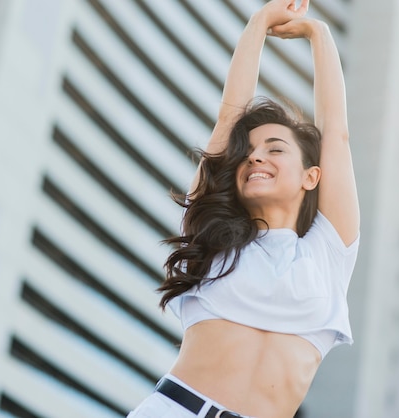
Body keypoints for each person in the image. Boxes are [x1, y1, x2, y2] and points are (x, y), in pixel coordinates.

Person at [127, 0, 359, 417]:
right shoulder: (214, 237)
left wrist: (318, 35)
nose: (255, 158)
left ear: (312, 176)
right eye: (248, 153)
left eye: (275, 149)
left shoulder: (329, 252)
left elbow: (336, 135)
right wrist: (258, 24)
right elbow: (229, 118)